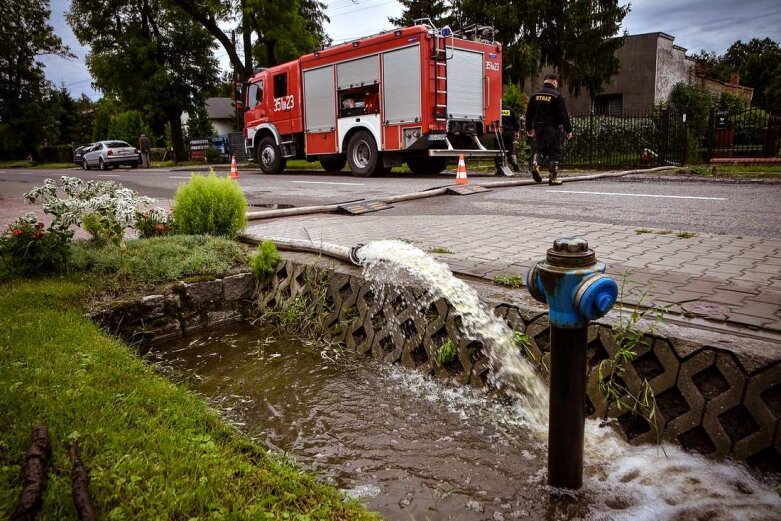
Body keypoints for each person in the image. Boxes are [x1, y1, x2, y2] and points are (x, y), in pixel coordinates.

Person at [525, 73, 573, 185]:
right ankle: (553, 178)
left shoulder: (535, 95)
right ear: (554, 82)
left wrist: (529, 128)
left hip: (539, 128)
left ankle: (535, 165)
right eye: (557, 83)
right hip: (552, 128)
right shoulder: (556, 95)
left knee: (540, 149)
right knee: (554, 152)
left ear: (545, 81)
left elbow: (529, 114)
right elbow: (563, 115)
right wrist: (568, 130)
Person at [494, 105, 521, 175]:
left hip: (501, 131)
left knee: (498, 149)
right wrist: (517, 132)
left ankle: (499, 167)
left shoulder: (496, 109)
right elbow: (516, 121)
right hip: (510, 132)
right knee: (509, 148)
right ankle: (514, 163)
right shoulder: (510, 109)